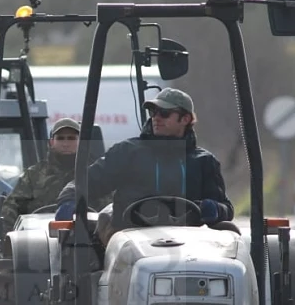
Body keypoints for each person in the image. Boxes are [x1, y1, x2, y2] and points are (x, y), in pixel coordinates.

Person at [54, 87, 234, 242]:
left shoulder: (204, 161)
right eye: (153, 112)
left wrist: (215, 209)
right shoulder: (127, 152)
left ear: (185, 119)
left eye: (164, 113)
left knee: (231, 233)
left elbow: (225, 208)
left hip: (189, 242)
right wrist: (69, 200)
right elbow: (86, 182)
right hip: (129, 239)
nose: (156, 118)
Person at [0, 117, 85, 237]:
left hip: (86, 241)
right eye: (60, 138)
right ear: (51, 142)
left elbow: (108, 210)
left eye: (71, 138)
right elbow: (11, 208)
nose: (66, 144)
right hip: (39, 241)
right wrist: (9, 241)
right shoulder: (33, 176)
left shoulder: (92, 174)